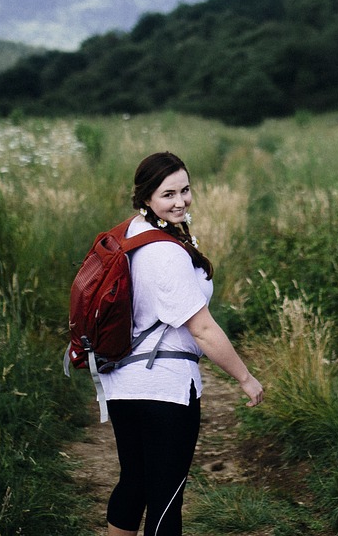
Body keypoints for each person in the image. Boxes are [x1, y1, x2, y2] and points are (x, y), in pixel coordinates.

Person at [102, 151, 264, 536]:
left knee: (134, 482)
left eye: (185, 190)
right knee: (165, 498)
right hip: (167, 389)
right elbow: (203, 329)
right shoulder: (166, 253)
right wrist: (245, 377)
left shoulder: (130, 233)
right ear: (146, 198)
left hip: (123, 384)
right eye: (168, 194)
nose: (180, 201)